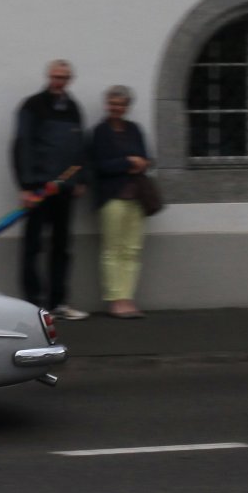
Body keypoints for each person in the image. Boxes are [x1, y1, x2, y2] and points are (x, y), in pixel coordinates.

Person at [12, 59, 88, 320]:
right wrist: (26, 185)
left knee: (62, 248)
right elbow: (22, 145)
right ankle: (33, 305)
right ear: (48, 77)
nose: (59, 82)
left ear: (70, 80)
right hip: (39, 189)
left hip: (65, 191)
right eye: (55, 77)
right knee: (33, 247)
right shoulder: (32, 105)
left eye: (64, 78)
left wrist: (81, 179)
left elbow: (80, 147)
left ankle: (58, 303)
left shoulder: (74, 108)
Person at [90, 85, 152, 319]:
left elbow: (145, 158)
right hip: (112, 198)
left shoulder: (134, 129)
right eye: (112, 104)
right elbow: (99, 165)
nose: (115, 108)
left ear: (127, 107)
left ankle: (128, 298)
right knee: (112, 249)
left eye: (120, 104)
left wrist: (141, 162)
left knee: (132, 250)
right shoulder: (100, 132)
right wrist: (128, 162)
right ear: (107, 105)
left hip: (136, 197)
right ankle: (115, 299)